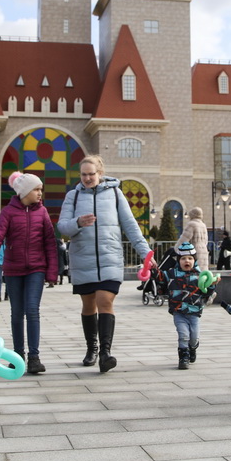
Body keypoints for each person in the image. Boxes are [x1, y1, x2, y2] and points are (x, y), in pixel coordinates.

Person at [58, 155, 153, 372]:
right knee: (89, 305)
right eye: (84, 174)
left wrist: (145, 253)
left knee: (105, 301)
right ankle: (92, 347)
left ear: (100, 173)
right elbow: (62, 227)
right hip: (83, 258)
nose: (88, 178)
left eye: (92, 174)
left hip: (110, 257)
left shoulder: (115, 194)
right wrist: (77, 223)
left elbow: (130, 225)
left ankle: (105, 353)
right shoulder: (72, 196)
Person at [0, 171, 57, 376]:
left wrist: (52, 272)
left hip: (36, 269)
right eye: (36, 189)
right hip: (14, 269)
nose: (40, 193)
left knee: (32, 310)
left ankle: (34, 357)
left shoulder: (42, 213)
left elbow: (50, 242)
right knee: (17, 313)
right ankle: (18, 357)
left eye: (41, 189)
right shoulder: (8, 212)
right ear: (24, 192)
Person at [165, 241, 216, 369]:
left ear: (194, 260)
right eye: (183, 258)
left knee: (194, 337)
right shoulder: (172, 274)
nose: (186, 261)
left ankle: (192, 348)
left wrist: (212, 286)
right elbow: (160, 278)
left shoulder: (200, 276)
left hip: (194, 313)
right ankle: (183, 357)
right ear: (178, 260)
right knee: (183, 335)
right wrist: (152, 271)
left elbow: (206, 293)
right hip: (179, 312)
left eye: (190, 258)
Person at [176, 207, 210, 272]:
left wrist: (177, 248)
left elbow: (184, 239)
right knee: (201, 271)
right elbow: (206, 241)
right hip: (204, 250)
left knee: (193, 271)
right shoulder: (203, 225)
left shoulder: (191, 224)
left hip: (193, 249)